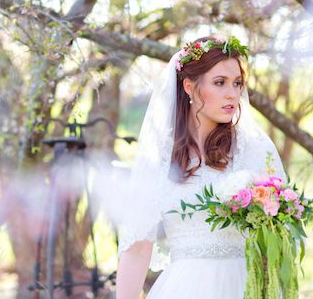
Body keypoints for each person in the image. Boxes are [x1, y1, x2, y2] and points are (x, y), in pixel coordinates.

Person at [115, 35, 288, 299]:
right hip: (183, 288)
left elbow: (281, 238)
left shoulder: (255, 148)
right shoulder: (160, 157)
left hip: (244, 287)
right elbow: (137, 247)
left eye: (237, 83)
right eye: (220, 83)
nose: (232, 93)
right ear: (189, 87)